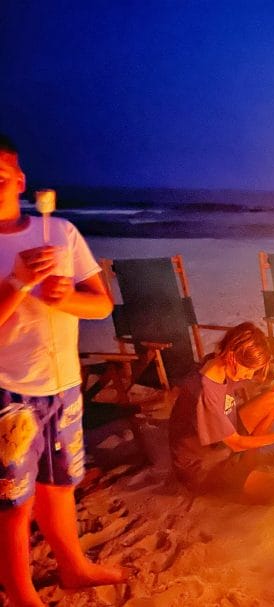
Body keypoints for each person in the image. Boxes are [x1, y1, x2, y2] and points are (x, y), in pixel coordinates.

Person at [0, 134, 125, 606]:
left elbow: (100, 305)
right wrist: (19, 280)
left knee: (59, 485)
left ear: (20, 179)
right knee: (14, 503)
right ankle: (21, 590)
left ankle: (73, 567)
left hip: (64, 383)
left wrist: (64, 297)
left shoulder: (60, 232)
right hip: (9, 391)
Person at [168, 322, 274, 504]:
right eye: (248, 370)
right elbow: (236, 443)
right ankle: (238, 471)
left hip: (225, 435)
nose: (249, 376)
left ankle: (248, 462)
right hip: (204, 466)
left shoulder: (217, 360)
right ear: (231, 356)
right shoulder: (205, 392)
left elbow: (265, 371)